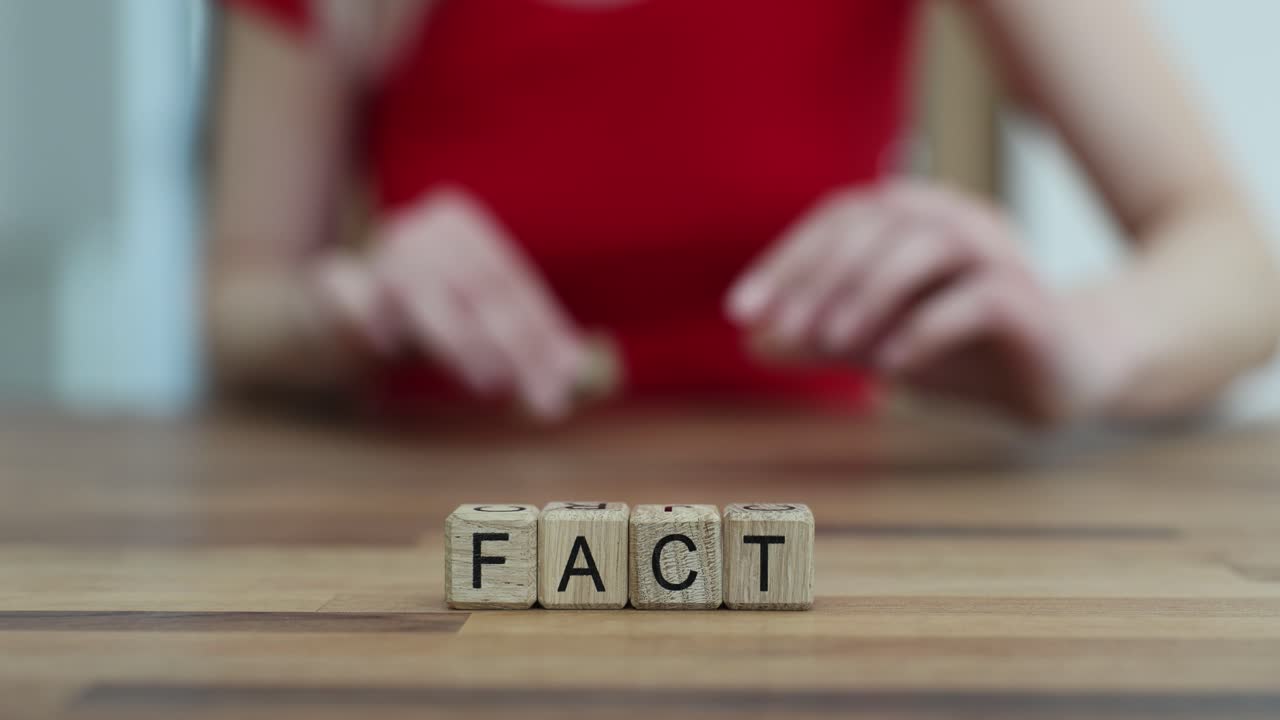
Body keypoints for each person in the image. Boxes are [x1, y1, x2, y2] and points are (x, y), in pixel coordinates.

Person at [207, 0, 1280, 426]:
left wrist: (1087, 342)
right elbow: (233, 300)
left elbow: (1237, 262)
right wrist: (333, 312)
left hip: (828, 552)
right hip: (419, 550)